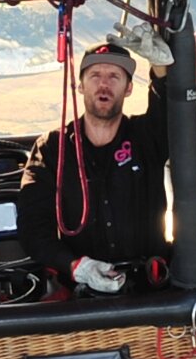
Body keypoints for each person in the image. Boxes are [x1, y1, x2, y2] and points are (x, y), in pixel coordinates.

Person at [21, 35, 175, 296]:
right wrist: (76, 266)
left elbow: (171, 112)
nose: (104, 84)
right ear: (80, 86)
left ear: (128, 88)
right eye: (95, 75)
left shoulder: (146, 136)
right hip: (81, 290)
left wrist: (161, 71)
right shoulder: (52, 148)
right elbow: (33, 228)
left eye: (114, 76)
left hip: (147, 289)